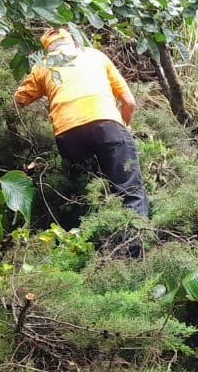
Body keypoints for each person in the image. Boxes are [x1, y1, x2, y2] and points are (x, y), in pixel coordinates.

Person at [14, 28, 150, 228]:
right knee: (129, 191)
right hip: (107, 125)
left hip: (68, 134)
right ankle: (134, 248)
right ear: (75, 42)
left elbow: (17, 102)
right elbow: (129, 102)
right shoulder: (96, 56)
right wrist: (125, 127)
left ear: (47, 50)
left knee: (85, 193)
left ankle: (89, 241)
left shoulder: (43, 66)